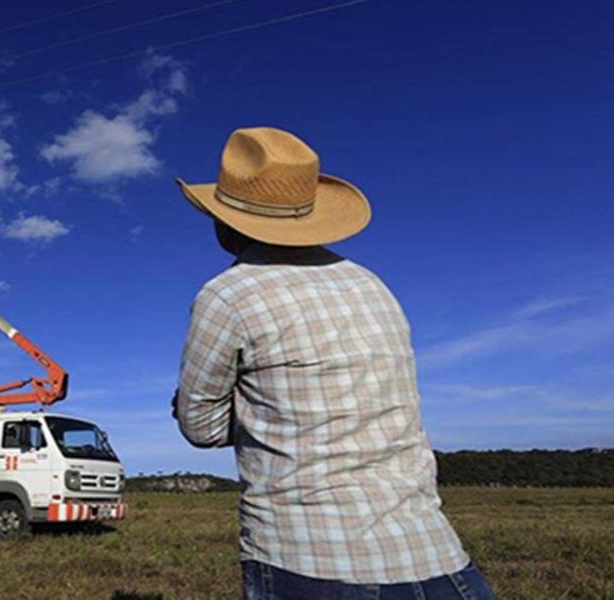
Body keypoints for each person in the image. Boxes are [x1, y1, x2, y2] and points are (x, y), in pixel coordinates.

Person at [172, 127, 495, 599]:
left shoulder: (227, 295)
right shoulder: (373, 285)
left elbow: (200, 427)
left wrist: (252, 412)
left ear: (227, 221)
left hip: (308, 560)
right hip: (437, 556)